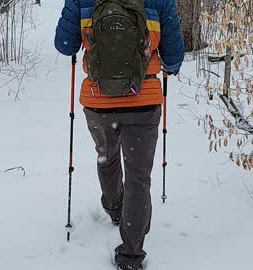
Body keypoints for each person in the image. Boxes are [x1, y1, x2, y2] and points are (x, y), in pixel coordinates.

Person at [54, 0, 184, 269]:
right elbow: (173, 57)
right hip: (144, 101)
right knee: (139, 178)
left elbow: (64, 45)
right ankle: (131, 254)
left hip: (99, 103)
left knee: (107, 158)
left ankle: (115, 208)